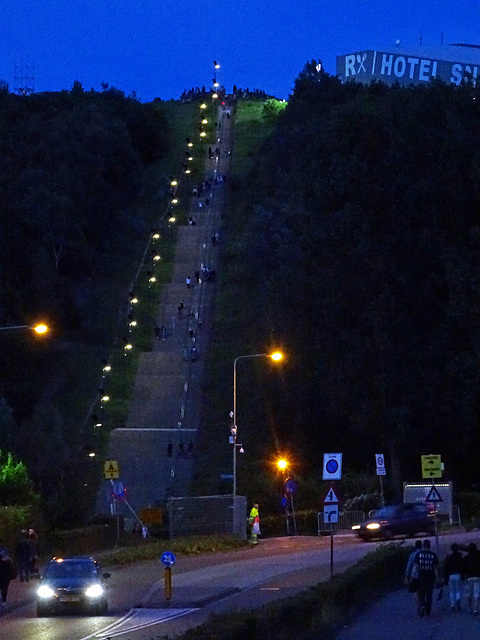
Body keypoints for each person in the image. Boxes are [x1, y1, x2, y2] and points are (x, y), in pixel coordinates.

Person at [415, 539, 439, 617]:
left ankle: (422, 605)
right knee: (429, 594)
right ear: (429, 546)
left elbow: (416, 566)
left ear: (423, 546)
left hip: (421, 576)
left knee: (421, 593)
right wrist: (437, 578)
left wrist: (414, 576)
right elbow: (435, 568)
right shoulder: (433, 555)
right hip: (430, 577)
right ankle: (428, 611)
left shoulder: (419, 554)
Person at [444, 543, 464, 611]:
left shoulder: (449, 557)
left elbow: (446, 568)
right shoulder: (460, 557)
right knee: (458, 590)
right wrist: (463, 575)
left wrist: (445, 578)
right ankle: (458, 600)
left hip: (451, 575)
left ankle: (452, 605)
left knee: (452, 591)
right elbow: (462, 567)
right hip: (458, 574)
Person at [463, 542, 480, 614]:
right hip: (477, 576)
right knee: (477, 594)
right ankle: (475, 609)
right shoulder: (478, 556)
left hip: (469, 577)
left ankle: (469, 608)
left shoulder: (466, 558)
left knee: (468, 594)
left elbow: (463, 568)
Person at [405, 540, 422, 606]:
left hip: (415, 576)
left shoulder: (412, 555)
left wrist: (407, 576)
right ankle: (423, 601)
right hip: (424, 575)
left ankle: (419, 603)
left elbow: (409, 566)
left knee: (414, 590)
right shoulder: (423, 553)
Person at [0, 540, 15, 606]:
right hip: (6, 573)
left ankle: (3, 599)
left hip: (4, 572)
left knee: (3, 587)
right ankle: (4, 600)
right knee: (5, 587)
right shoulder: (6, 550)